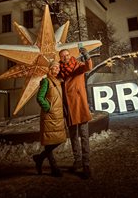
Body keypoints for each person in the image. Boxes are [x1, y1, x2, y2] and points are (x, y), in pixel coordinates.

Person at [58, 47, 92, 179]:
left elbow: (88, 66)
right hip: (69, 109)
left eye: (67, 55)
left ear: (70, 55)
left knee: (84, 136)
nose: (65, 57)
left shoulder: (78, 66)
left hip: (80, 106)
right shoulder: (59, 71)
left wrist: (86, 55)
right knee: (73, 137)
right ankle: (77, 160)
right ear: (60, 58)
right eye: (62, 56)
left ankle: (86, 164)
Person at [32, 60, 67, 177]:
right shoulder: (46, 81)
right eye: (54, 68)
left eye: (58, 68)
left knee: (60, 139)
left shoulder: (57, 81)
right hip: (50, 116)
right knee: (50, 142)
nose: (56, 70)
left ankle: (39, 158)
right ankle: (54, 168)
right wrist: (48, 108)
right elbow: (40, 97)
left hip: (58, 116)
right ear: (50, 68)